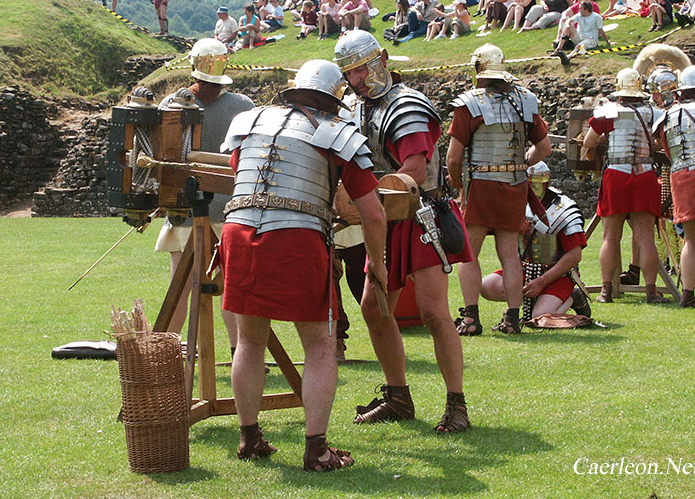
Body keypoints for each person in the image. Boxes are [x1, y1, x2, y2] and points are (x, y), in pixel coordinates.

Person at [219, 59, 387, 470]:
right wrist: (377, 266)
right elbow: (374, 213)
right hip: (295, 239)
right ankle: (316, 450)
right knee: (319, 344)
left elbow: (239, 175)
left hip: (238, 233)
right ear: (335, 97)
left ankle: (250, 437)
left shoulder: (250, 120)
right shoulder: (339, 133)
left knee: (249, 339)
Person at [334, 30, 473, 433]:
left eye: (360, 70)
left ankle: (456, 404)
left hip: (420, 215)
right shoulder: (357, 108)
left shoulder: (407, 105)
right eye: (350, 74)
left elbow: (411, 173)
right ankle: (398, 397)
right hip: (383, 217)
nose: (357, 80)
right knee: (373, 308)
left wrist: (359, 201)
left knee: (433, 312)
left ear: (380, 58)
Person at [155, 39, 255, 347]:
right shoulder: (241, 106)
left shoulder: (239, 107)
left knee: (200, 287)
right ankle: (179, 351)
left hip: (215, 208)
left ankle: (238, 352)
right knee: (216, 287)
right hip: (210, 209)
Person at [447, 43, 551, 335]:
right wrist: (520, 164)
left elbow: (454, 157)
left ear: (479, 69)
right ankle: (513, 318)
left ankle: (470, 319)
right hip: (514, 185)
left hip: (480, 185)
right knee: (509, 253)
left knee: (470, 253)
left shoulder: (469, 103)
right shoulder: (526, 100)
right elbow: (544, 148)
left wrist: (456, 181)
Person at [583, 68, 668, 304]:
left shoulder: (609, 111)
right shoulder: (654, 112)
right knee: (645, 238)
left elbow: (589, 141)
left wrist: (604, 138)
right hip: (645, 175)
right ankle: (651, 291)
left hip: (616, 175)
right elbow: (660, 144)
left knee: (610, 237)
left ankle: (606, 291)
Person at [481, 162, 590, 320]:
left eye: (534, 185)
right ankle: (537, 300)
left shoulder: (564, 209)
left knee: (540, 318)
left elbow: (574, 255)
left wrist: (543, 281)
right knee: (487, 286)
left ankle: (573, 296)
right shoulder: (516, 203)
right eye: (525, 185)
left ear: (546, 184)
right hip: (524, 269)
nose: (529, 190)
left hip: (557, 276)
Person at [653, 66, 695, 307]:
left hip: (681, 176)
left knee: (692, 239)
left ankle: (687, 295)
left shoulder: (666, 116)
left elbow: (668, 152)